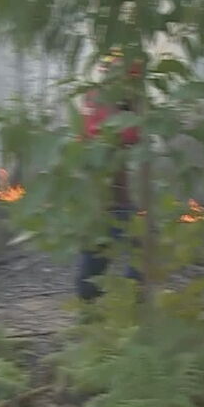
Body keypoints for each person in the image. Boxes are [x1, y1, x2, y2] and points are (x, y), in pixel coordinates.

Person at [75, 49, 144, 301]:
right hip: (111, 200)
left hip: (104, 199)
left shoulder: (97, 97)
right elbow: (128, 138)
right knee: (138, 246)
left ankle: (94, 305)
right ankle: (128, 302)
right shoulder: (112, 104)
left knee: (97, 251)